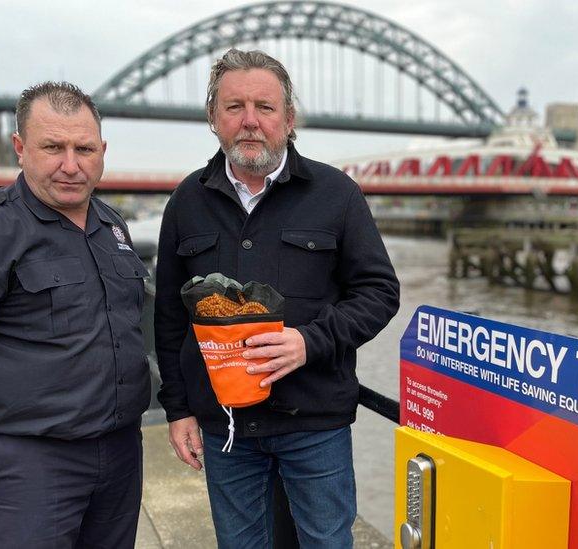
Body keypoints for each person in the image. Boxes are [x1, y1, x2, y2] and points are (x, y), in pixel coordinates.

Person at [155, 49, 400, 549]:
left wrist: (309, 342)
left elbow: (379, 292)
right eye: (234, 107)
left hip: (315, 422)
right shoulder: (187, 201)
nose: (250, 121)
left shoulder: (337, 194)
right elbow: (168, 317)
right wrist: (178, 409)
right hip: (225, 428)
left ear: (288, 119)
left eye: (265, 108)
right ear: (213, 119)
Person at [0, 81, 151, 548]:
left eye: (84, 148)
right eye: (52, 147)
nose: (70, 165)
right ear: (20, 148)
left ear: (102, 151)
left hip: (119, 451)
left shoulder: (111, 225)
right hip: (29, 462)